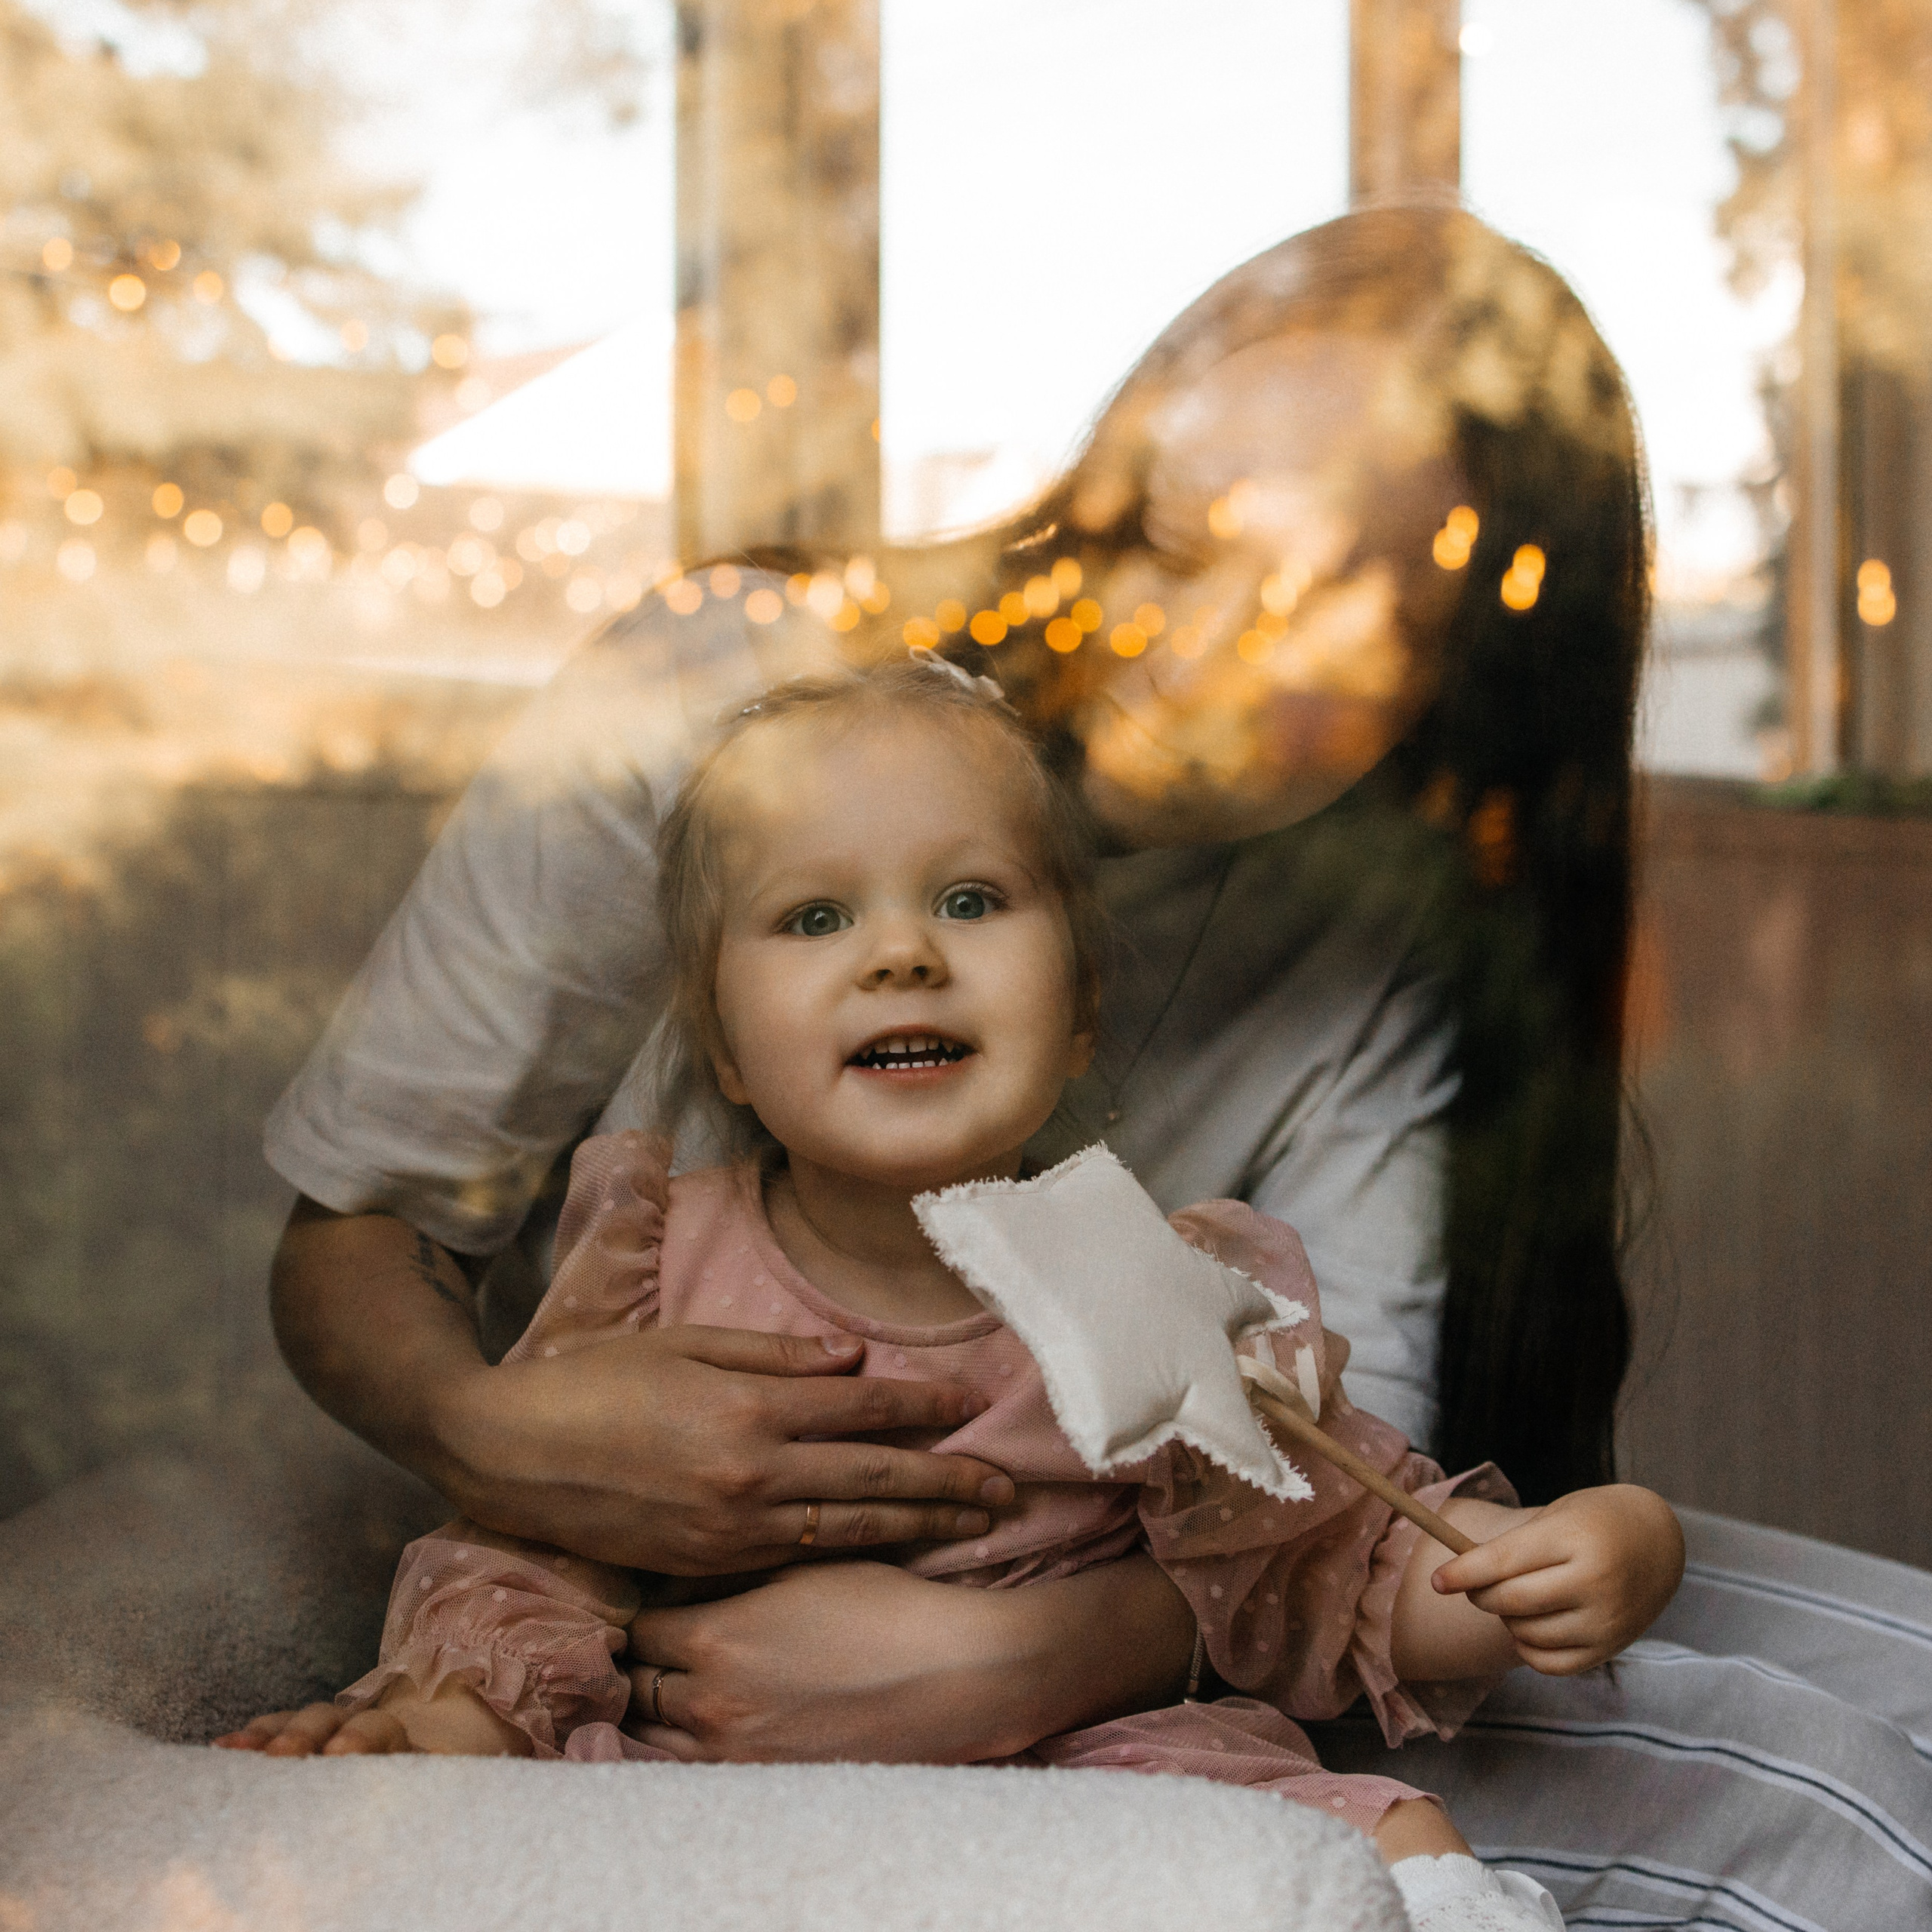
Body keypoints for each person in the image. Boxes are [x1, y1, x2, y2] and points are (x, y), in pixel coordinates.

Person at [263, 203, 1647, 1761]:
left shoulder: (1383, 921)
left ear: (1464, 678)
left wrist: (1045, 1650)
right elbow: (360, 1224)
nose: (1198, 653)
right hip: (607, 1623)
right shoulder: (725, 693)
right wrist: (501, 1438)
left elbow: (1335, 1500)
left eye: (1336, 609)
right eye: (1179, 545)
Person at [226, 661, 1684, 1932]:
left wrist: (1563, 1562)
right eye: (811, 918)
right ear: (722, 1046)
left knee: (1384, 1844)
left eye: (972, 900)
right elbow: (537, 1557)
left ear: (1081, 1012)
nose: (903, 951)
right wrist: (446, 1721)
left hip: (1097, 1770)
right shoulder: (661, 1261)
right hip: (730, 1782)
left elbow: (1330, 1571)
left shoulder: (1160, 1279)